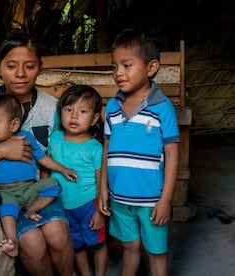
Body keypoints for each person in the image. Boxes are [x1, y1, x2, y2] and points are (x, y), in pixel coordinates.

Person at [0, 32, 74, 276]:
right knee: (33, 244)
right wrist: (1, 151)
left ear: (40, 67)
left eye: (29, 66)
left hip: (35, 190)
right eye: (11, 66)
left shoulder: (51, 106)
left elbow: (52, 155)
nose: (20, 74)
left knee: (58, 234)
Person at [0, 93, 77, 258]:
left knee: (53, 184)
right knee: (7, 212)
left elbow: (43, 158)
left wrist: (63, 169)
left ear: (14, 124)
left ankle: (32, 209)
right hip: (6, 194)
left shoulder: (26, 138)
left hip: (30, 188)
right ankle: (12, 242)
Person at [98, 28, 180, 276]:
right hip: (119, 198)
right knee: (130, 246)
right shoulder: (112, 106)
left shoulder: (162, 108)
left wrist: (165, 200)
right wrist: (103, 189)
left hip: (151, 200)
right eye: (114, 66)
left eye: (127, 65)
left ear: (151, 67)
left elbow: (173, 157)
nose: (118, 73)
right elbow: (107, 148)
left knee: (156, 252)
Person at [48, 85, 108, 276]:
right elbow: (45, 167)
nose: (74, 116)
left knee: (97, 244)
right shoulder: (55, 139)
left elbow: (101, 180)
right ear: (60, 113)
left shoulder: (95, 148)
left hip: (89, 204)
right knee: (76, 246)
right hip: (62, 206)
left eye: (82, 111)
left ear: (94, 119)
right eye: (68, 110)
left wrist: (99, 210)